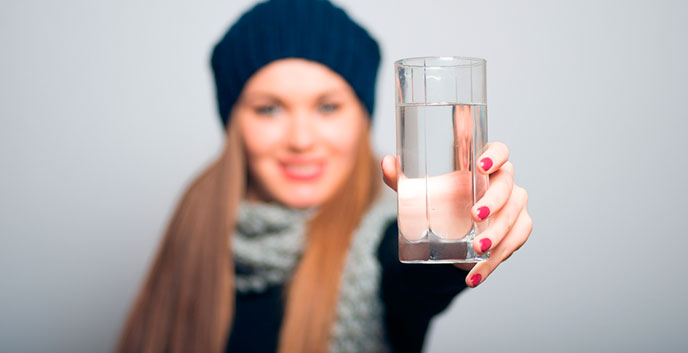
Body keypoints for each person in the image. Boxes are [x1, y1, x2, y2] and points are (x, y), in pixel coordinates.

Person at [116, 0, 533, 352]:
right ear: (235, 125)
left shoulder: (388, 241)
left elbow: (414, 274)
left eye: (328, 107)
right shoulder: (194, 224)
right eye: (269, 108)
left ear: (362, 119)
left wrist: (455, 237)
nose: (301, 139)